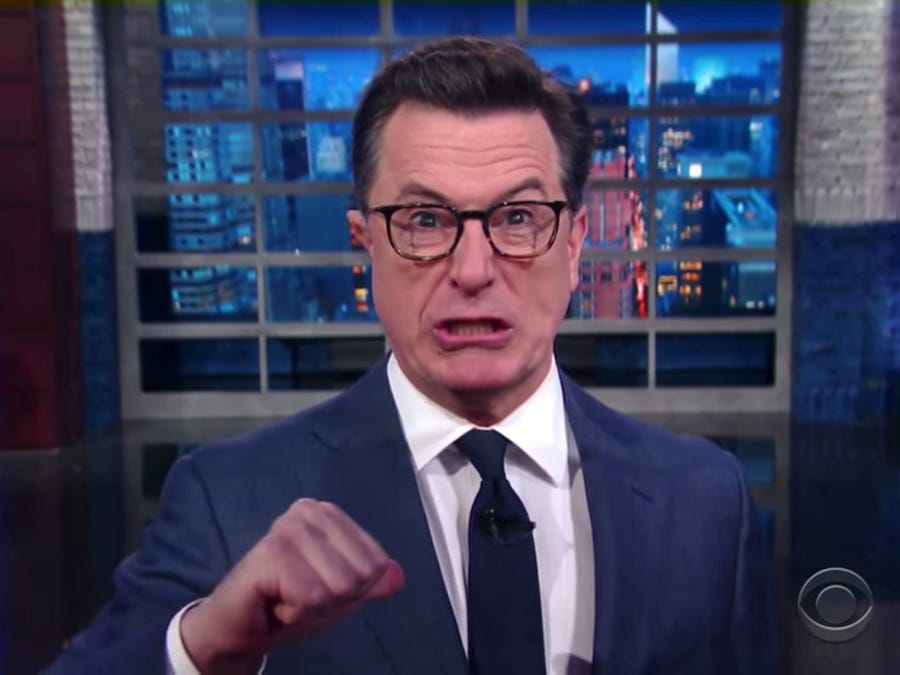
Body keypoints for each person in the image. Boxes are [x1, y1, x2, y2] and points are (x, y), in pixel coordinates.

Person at [46, 37, 776, 674]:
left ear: (576, 243)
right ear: (365, 244)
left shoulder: (704, 501)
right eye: (425, 220)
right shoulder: (229, 501)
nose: (473, 270)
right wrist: (205, 646)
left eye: (518, 218)